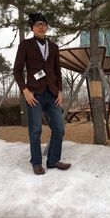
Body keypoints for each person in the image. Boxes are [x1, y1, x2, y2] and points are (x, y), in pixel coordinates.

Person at [13, 12, 71, 175]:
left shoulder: (53, 47)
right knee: (35, 130)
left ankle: (53, 160)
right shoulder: (25, 45)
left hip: (52, 94)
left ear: (47, 27)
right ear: (32, 27)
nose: (41, 27)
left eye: (43, 24)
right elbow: (17, 71)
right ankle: (36, 162)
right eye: (37, 24)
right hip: (34, 94)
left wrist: (60, 91)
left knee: (59, 129)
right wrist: (25, 91)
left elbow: (57, 71)